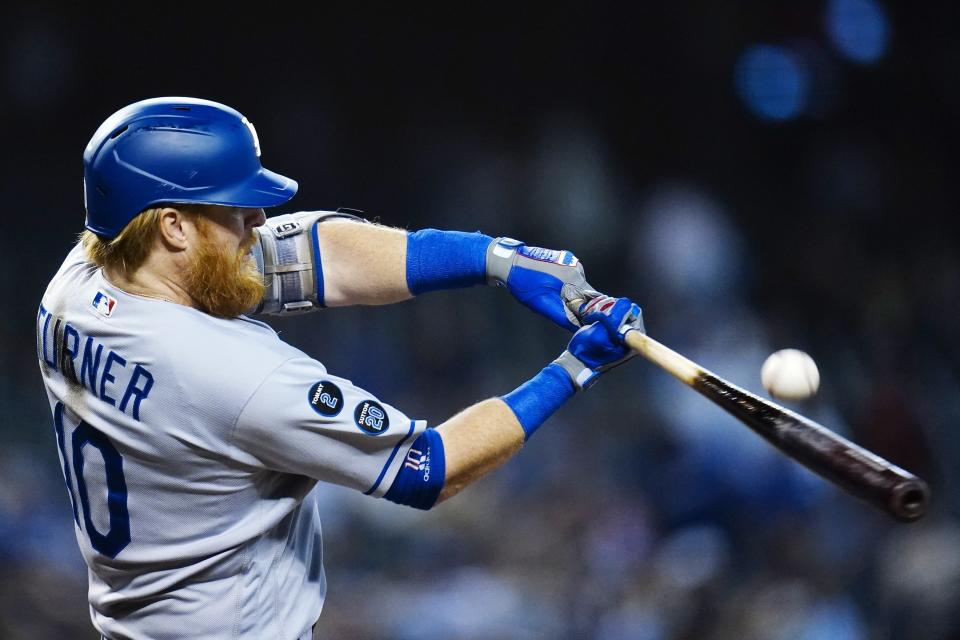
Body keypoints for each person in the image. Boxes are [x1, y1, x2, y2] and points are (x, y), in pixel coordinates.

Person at [36, 97, 644, 639]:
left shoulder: (76, 284)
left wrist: (497, 258)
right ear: (172, 226)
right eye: (238, 210)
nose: (258, 223)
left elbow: (314, 251)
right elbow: (431, 469)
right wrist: (573, 369)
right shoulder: (235, 378)